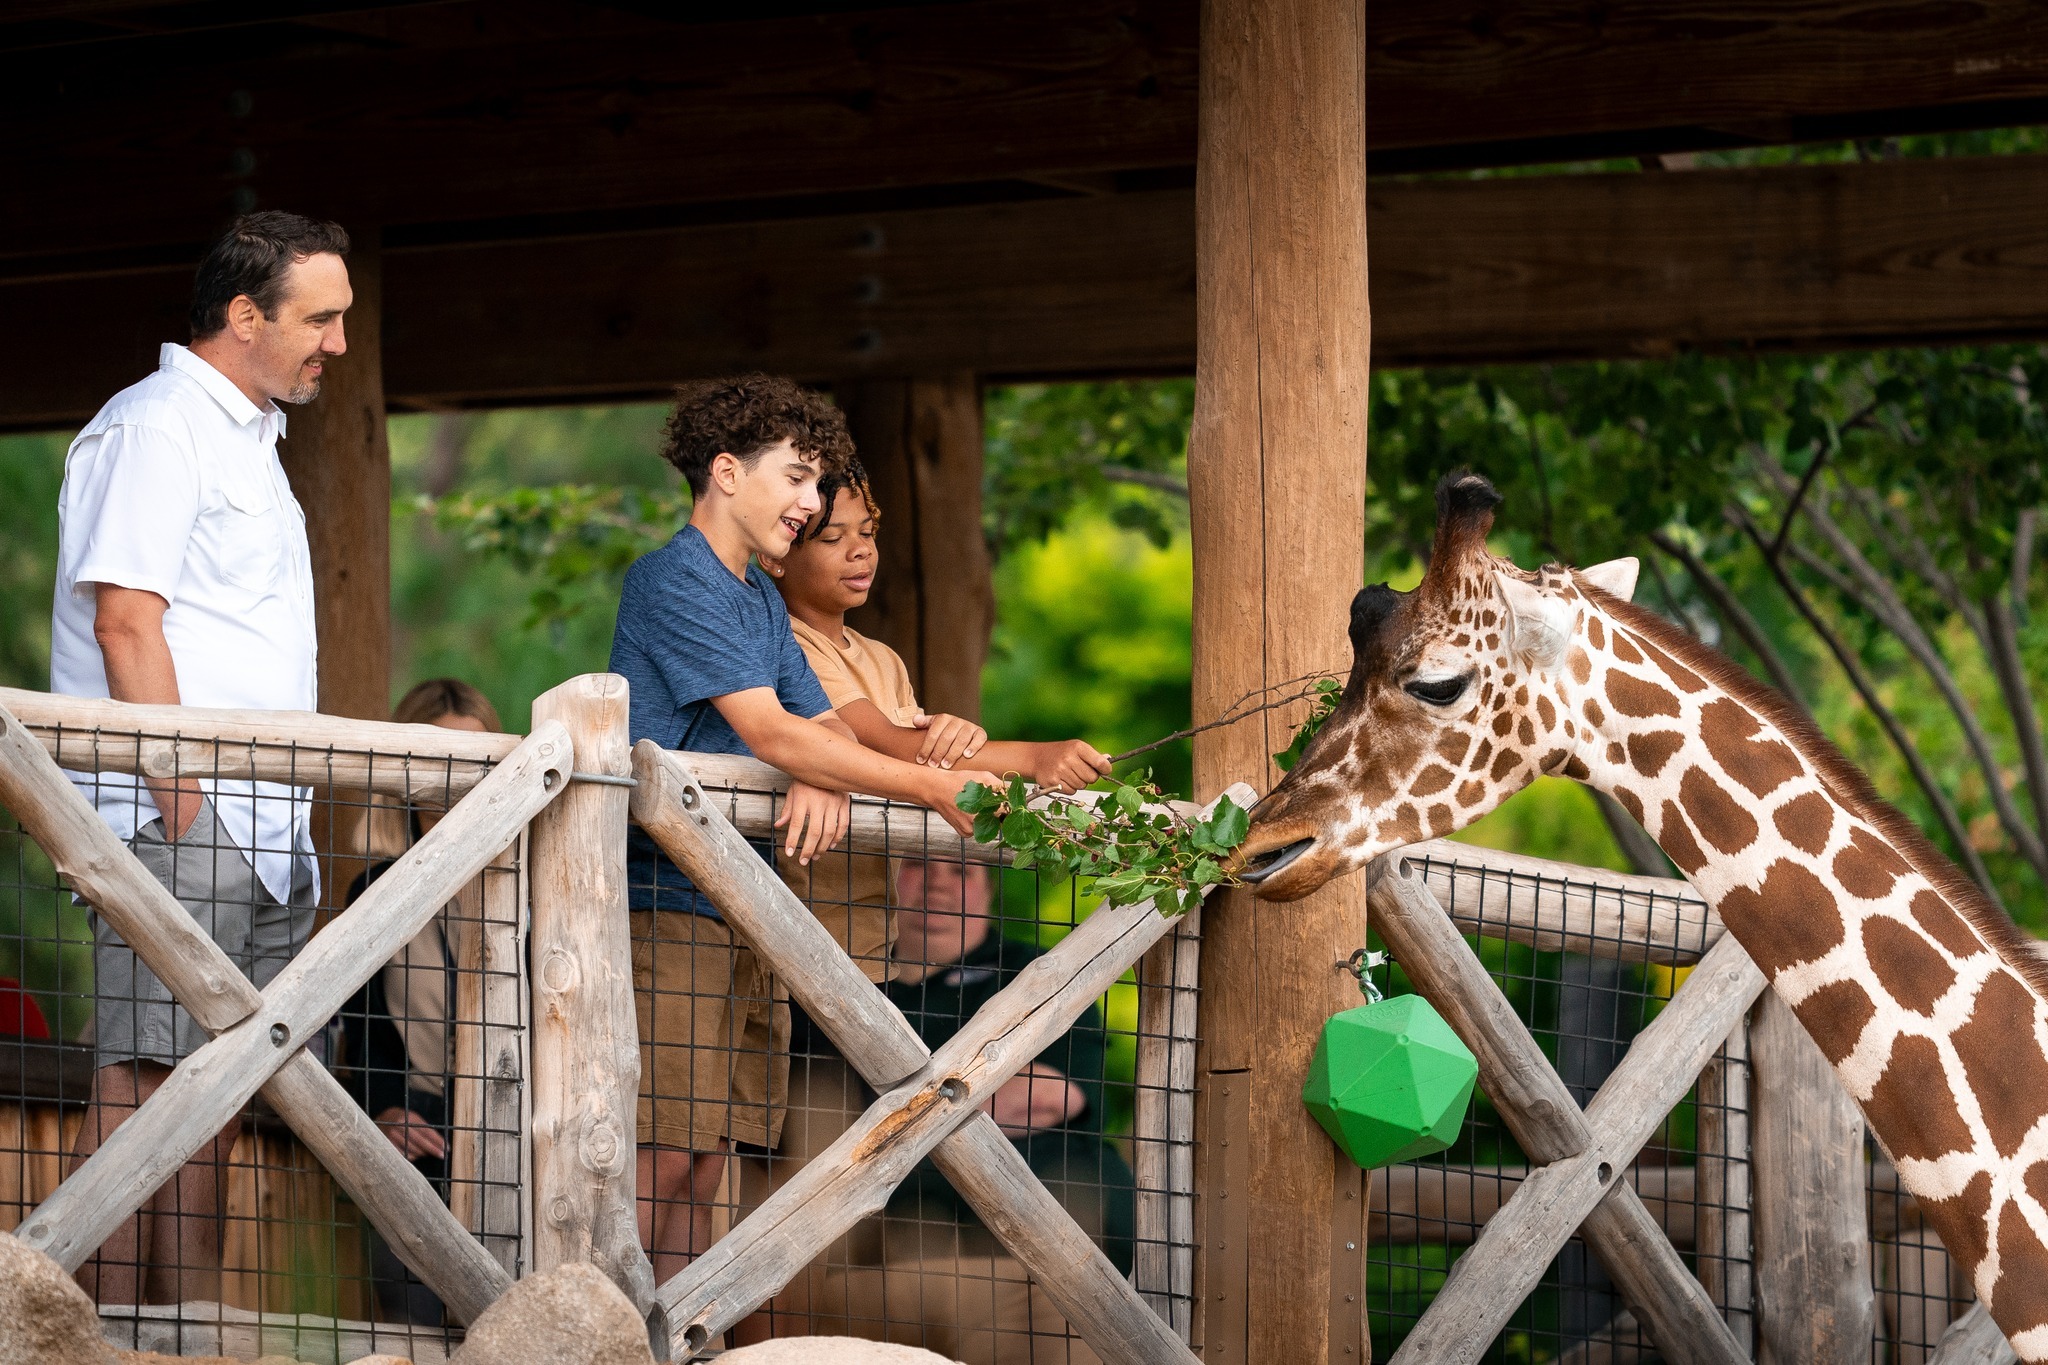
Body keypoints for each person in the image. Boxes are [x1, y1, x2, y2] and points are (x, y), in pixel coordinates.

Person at [608, 373, 1000, 1284]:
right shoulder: (675, 578)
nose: (812, 503)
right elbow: (777, 730)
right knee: (660, 1152)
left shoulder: (756, 599)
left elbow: (819, 727)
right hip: (665, 899)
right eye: (795, 478)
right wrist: (931, 787)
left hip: (743, 907)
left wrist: (812, 764)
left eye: (818, 483)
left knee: (710, 1163)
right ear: (725, 473)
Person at [51, 211, 352, 1305]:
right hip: (183, 814)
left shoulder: (251, 438)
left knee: (216, 1089)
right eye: (320, 318)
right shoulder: (155, 425)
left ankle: (188, 1334)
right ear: (243, 315)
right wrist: (177, 792)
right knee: (143, 1079)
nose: (338, 344)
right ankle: (89, 1334)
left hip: (264, 832)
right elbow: (127, 622)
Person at [767, 859, 1132, 1365]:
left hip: (1068, 1251)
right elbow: (816, 1114)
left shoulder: (1039, 973)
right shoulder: (837, 984)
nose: (939, 882)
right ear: (886, 875)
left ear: (989, 890)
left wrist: (894, 1111)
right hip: (898, 1250)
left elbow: (1058, 1096)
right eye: (918, 864)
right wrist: (974, 1095)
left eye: (961, 872)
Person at [763, 458, 1110, 984]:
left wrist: (951, 738)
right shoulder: (789, 644)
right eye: (832, 538)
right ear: (777, 557)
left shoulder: (883, 659)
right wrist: (1035, 758)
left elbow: (919, 748)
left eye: (869, 532)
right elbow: (886, 748)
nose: (861, 550)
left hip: (874, 932)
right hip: (797, 924)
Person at [335, 678, 501, 1326]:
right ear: (404, 775)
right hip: (419, 1144)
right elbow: (366, 1028)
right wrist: (382, 1111)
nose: (461, 778)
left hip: (519, 1135)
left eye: (479, 760)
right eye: (441, 759)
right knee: (415, 1332)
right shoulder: (373, 888)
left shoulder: (533, 879)